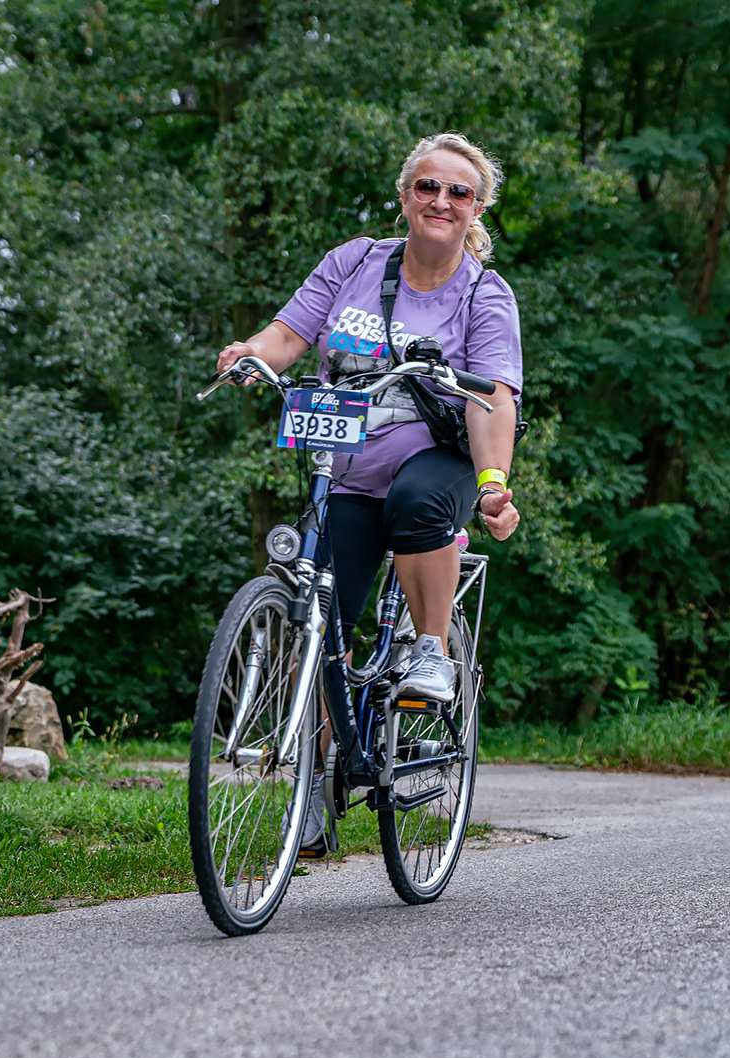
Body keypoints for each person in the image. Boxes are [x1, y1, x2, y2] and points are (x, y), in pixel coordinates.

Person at [214, 132, 523, 850]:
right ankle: (317, 780)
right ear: (405, 195)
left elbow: (493, 398)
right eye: (427, 186)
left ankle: (431, 649)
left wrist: (493, 485)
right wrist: (250, 353)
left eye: (458, 191)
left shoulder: (484, 293)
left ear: (476, 208)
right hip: (346, 469)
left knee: (417, 502)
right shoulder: (354, 262)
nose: (441, 200)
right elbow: (289, 335)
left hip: (435, 460)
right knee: (319, 614)